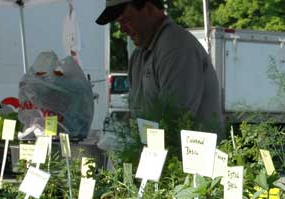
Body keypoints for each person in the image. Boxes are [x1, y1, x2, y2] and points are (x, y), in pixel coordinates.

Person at [95, 0, 223, 134]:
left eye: (125, 20)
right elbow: (138, 117)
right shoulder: (138, 56)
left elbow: (174, 123)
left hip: (190, 153)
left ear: (149, 9)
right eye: (119, 22)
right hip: (159, 152)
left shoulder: (176, 47)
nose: (122, 29)